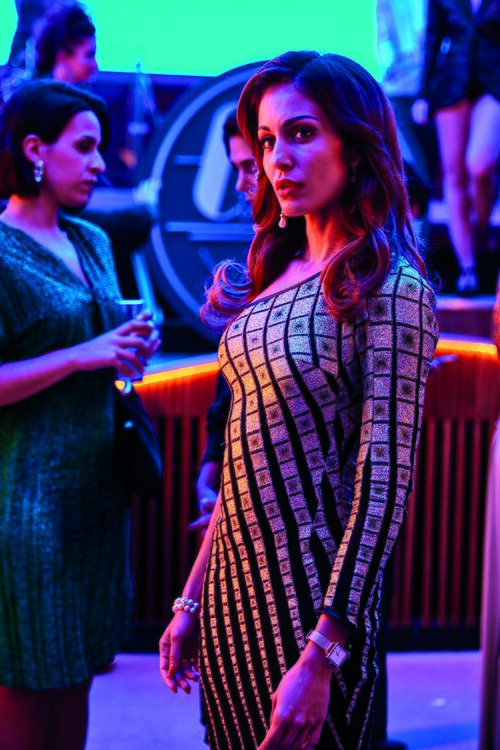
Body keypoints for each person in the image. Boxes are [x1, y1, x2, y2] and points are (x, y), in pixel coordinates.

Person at [160, 50, 438, 750]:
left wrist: (323, 653)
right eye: (266, 139)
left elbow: (383, 487)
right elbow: (242, 463)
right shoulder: (274, 271)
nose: (277, 158)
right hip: (231, 598)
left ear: (357, 143)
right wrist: (193, 596)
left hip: (315, 607)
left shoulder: (392, 288)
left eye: (302, 133)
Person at [0, 79, 159, 750]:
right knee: (29, 676)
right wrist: (82, 354)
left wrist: (125, 352)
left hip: (97, 491)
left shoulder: (91, 238)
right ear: (35, 149)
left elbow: (105, 354)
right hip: (28, 499)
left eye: (101, 148)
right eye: (86, 147)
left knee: (78, 673)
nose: (99, 164)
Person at [193, 111, 257, 532]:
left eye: (250, 166)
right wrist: (211, 468)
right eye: (236, 168)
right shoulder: (265, 259)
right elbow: (233, 384)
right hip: (238, 504)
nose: (239, 184)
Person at [412, 0, 500, 294]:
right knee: (453, 175)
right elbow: (433, 38)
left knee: (480, 163)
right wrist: (423, 93)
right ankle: (467, 267)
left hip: (494, 82)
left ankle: (483, 230)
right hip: (451, 82)